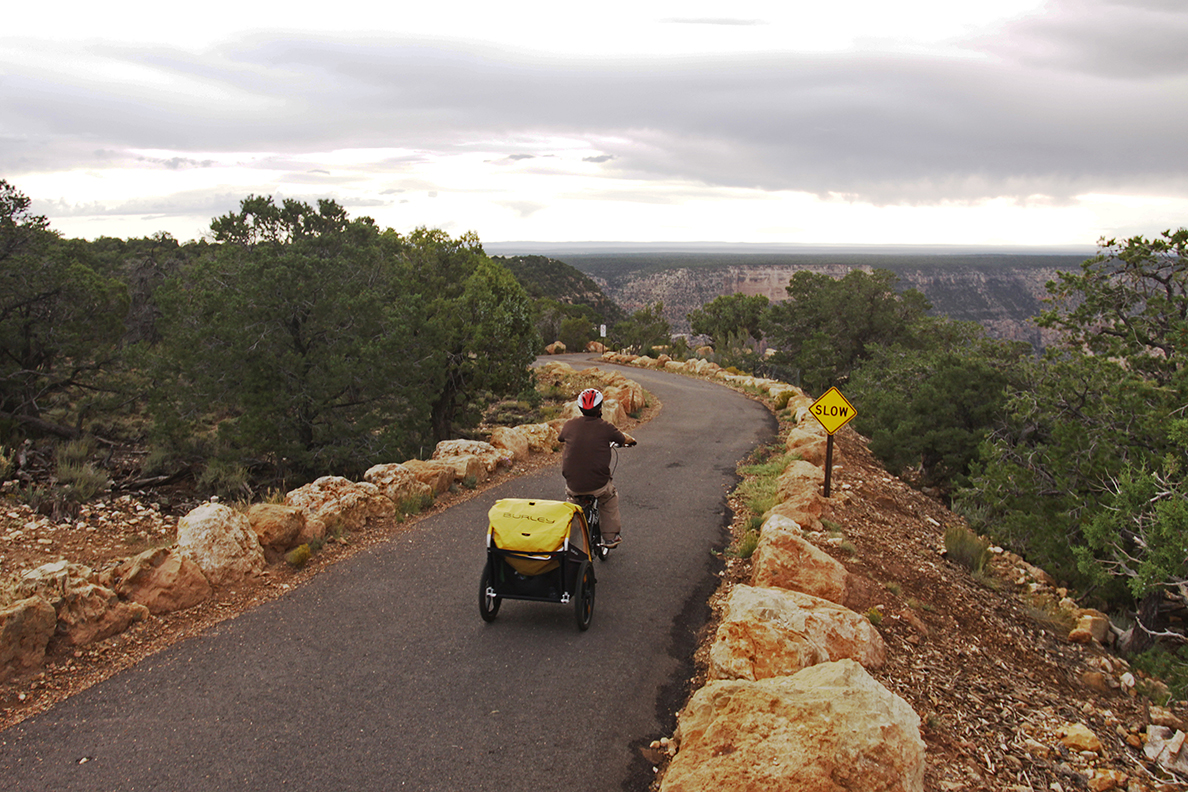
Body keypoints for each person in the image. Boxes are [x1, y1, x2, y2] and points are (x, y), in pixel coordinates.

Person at [558, 388, 636, 548]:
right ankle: (610, 537)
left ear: (580, 408)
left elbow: (560, 437)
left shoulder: (570, 425)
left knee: (573, 502)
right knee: (609, 498)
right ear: (600, 408)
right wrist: (631, 441)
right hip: (598, 485)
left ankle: (567, 539)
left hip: (573, 484)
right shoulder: (606, 427)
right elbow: (622, 439)